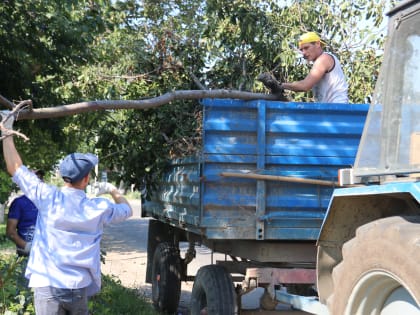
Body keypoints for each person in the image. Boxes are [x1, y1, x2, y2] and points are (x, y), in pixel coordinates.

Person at [1, 110, 132, 315]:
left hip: (47, 284)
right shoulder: (98, 208)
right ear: (86, 179)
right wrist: (112, 190)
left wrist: (6, 130)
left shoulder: (47, 197)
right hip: (77, 287)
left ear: (63, 176)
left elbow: (15, 167)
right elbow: (126, 209)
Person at [258, 31, 348, 103]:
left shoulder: (324, 59)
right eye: (301, 50)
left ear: (317, 44)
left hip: (337, 109)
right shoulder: (320, 61)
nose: (303, 53)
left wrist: (281, 85)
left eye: (306, 48)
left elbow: (305, 86)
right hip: (330, 110)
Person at [6, 169, 44, 257]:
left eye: (40, 178)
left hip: (46, 255)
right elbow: (10, 232)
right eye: (35, 178)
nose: (39, 181)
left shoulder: (47, 201)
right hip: (26, 256)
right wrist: (28, 248)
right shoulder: (19, 203)